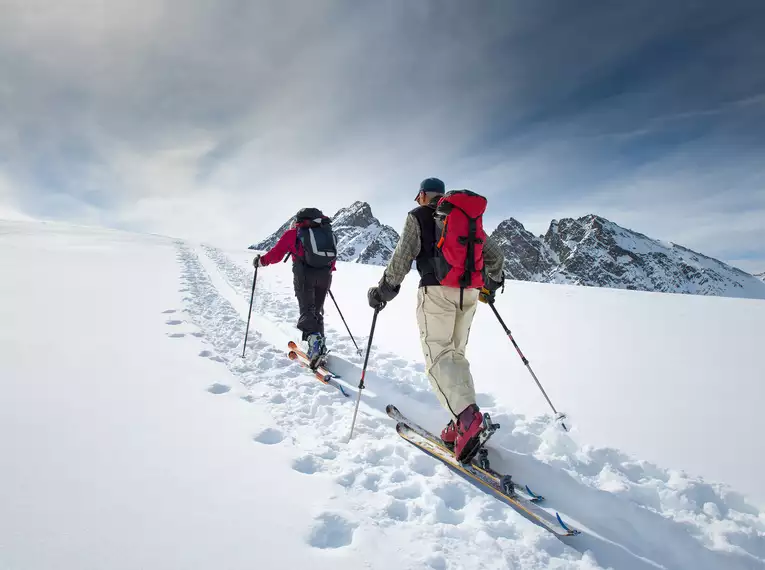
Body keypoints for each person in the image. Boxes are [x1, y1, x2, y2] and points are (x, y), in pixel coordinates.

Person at [367, 178, 505, 462]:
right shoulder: (466, 216)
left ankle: (467, 419)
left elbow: (401, 258)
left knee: (438, 357)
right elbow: (496, 256)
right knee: (455, 355)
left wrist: (383, 291)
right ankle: (461, 422)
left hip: (436, 291)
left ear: (422, 196)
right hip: (468, 294)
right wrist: (490, 286)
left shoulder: (419, 216)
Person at [254, 208, 338, 368]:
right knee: (317, 311)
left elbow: (277, 254)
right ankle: (320, 345)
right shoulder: (329, 234)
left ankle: (315, 349)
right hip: (325, 277)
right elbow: (332, 257)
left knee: (307, 311)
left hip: (304, 276)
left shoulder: (295, 233)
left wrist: (261, 261)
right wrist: (325, 274)